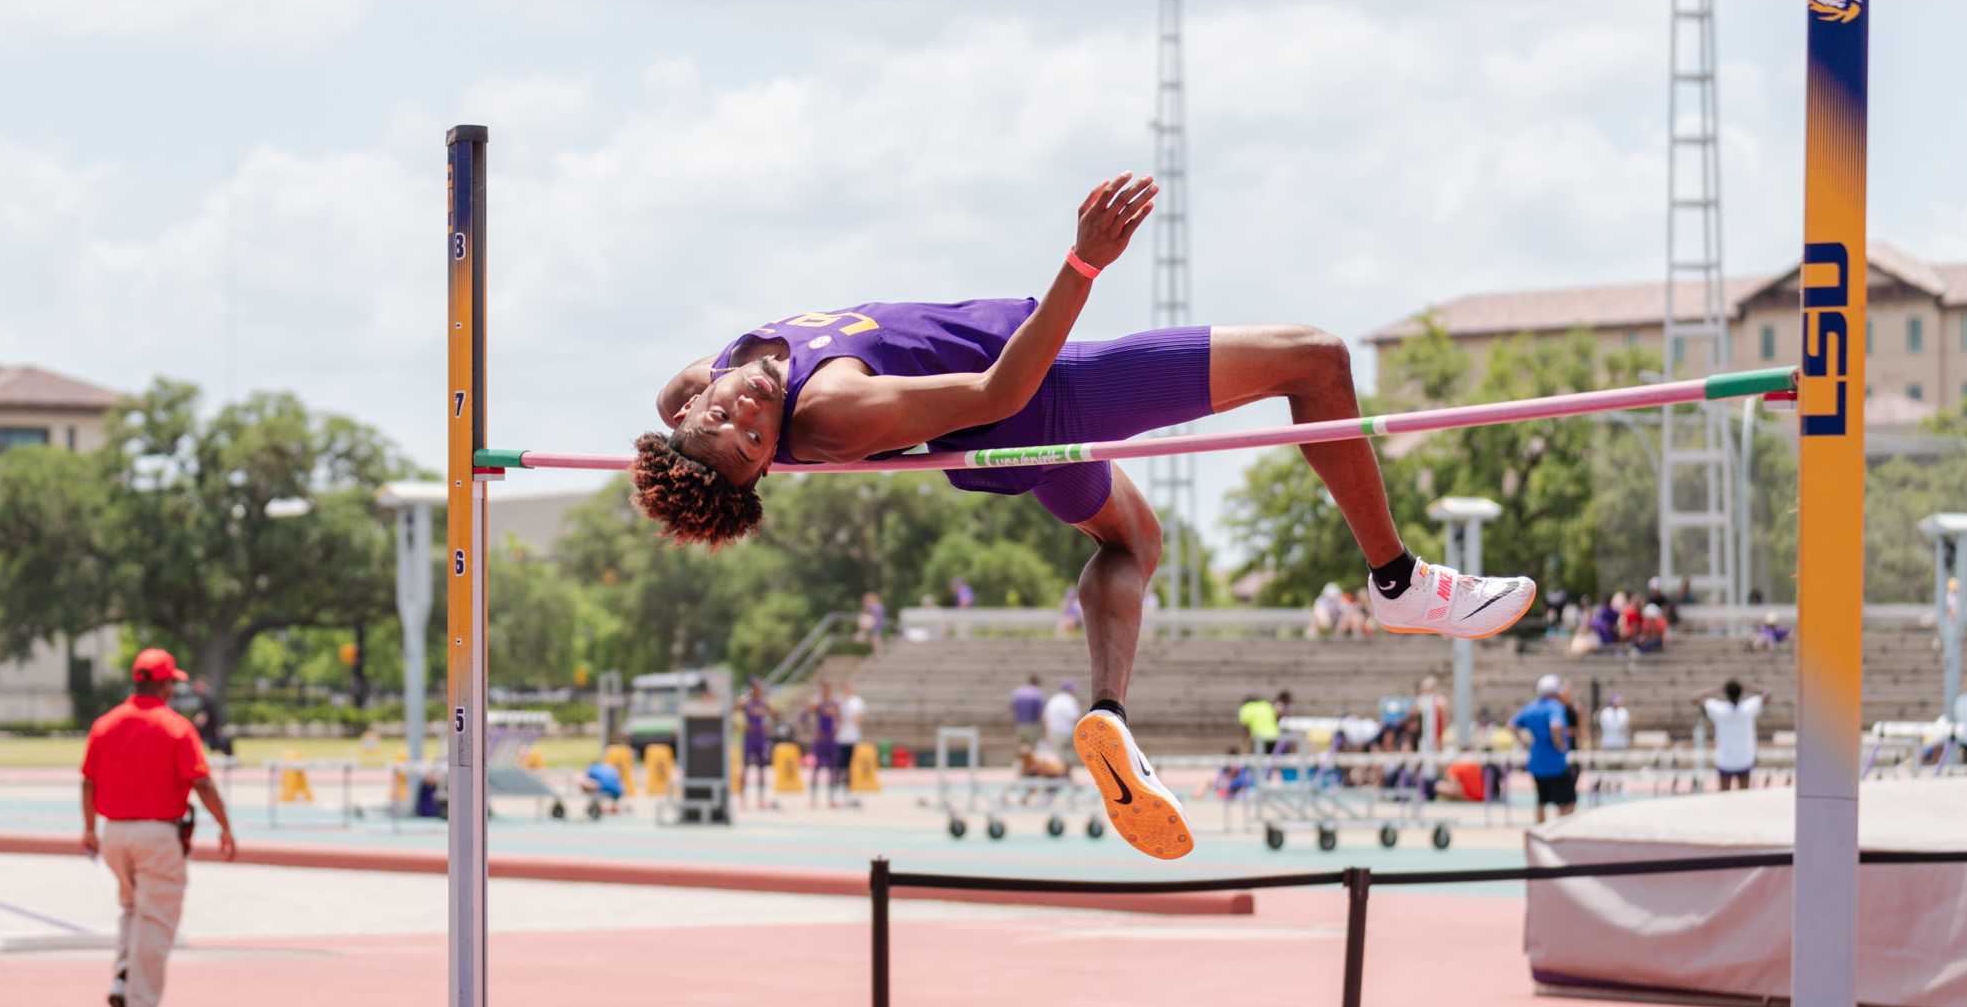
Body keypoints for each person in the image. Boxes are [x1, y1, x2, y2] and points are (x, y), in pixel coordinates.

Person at [629, 173, 1534, 860]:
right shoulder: (829, 414)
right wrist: (1083, 263)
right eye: (753, 442)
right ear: (765, 474)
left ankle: (1108, 714)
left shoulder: (703, 382)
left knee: (1134, 540)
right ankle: (1396, 579)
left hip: (1021, 448)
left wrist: (691, 409)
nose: (746, 413)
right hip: (1047, 397)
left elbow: (682, 408)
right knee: (1315, 359)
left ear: (689, 412)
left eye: (727, 421)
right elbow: (1000, 387)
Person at [80, 648, 236, 1007]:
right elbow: (201, 782)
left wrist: (88, 829)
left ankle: (123, 977)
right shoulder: (177, 727)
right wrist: (225, 826)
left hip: (114, 831)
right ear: (165, 685)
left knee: (132, 909)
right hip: (158, 833)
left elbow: (88, 780)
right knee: (156, 918)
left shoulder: (105, 724)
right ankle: (140, 1006)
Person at [1513, 674, 1576, 821]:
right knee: (1566, 801)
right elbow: (1556, 726)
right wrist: (1559, 744)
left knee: (1541, 800)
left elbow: (1512, 724)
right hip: (1555, 762)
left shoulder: (1531, 707)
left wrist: (1524, 742)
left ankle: (1540, 832)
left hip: (1536, 761)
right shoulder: (1555, 707)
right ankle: (1561, 832)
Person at [1701, 679, 1766, 791]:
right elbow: (1767, 694)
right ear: (1741, 692)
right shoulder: (1748, 708)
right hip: (1744, 759)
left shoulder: (1719, 709)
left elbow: (1694, 699)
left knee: (1724, 797)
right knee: (1744, 796)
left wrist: (1716, 689)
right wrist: (1748, 686)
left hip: (1725, 760)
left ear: (1726, 693)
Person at [738, 680, 777, 809]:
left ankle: (761, 799)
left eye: (759, 688)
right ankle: (742, 799)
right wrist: (741, 725)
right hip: (749, 738)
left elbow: (775, 714)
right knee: (745, 768)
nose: (757, 690)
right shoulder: (746, 702)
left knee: (761, 769)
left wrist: (768, 723)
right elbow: (734, 711)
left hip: (761, 738)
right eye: (755, 688)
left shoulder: (763, 703)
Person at [833, 682, 866, 807]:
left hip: (851, 738)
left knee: (849, 766)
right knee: (839, 765)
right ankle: (836, 791)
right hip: (840, 738)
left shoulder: (856, 702)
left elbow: (857, 719)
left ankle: (847, 791)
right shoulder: (839, 701)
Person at [807, 683, 840, 809]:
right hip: (820, 740)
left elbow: (838, 718)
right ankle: (813, 798)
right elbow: (806, 715)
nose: (826, 691)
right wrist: (813, 730)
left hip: (830, 740)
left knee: (832, 770)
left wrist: (837, 727)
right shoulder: (818, 704)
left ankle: (831, 798)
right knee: (816, 769)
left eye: (828, 689)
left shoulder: (834, 704)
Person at [1042, 680, 1082, 775]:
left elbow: (1045, 717)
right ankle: (1066, 777)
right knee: (1067, 756)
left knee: (1057, 756)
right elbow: (1074, 717)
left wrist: (1047, 732)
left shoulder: (1053, 699)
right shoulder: (1069, 700)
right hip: (1066, 732)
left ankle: (1058, 778)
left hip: (1053, 732)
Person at [189, 676, 234, 757]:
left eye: (197, 686)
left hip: (209, 731)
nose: (195, 688)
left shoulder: (207, 698)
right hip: (208, 731)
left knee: (223, 743)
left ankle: (231, 762)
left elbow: (203, 718)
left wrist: (192, 726)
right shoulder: (204, 697)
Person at [1010, 675, 1046, 750]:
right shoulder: (1037, 693)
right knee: (1032, 748)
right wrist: (1044, 727)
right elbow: (1040, 711)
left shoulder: (1018, 692)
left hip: (1020, 724)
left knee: (1022, 746)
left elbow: (1012, 707)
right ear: (1037, 683)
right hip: (1033, 725)